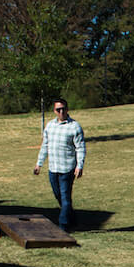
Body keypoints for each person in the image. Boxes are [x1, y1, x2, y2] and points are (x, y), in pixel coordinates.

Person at [34, 98, 85, 232]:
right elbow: (45, 146)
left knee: (65, 197)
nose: (61, 112)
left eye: (63, 109)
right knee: (59, 196)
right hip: (53, 168)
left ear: (67, 109)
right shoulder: (50, 126)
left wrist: (79, 166)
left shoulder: (74, 126)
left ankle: (63, 226)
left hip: (67, 169)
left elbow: (80, 148)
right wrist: (39, 164)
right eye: (58, 109)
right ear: (54, 111)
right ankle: (72, 219)